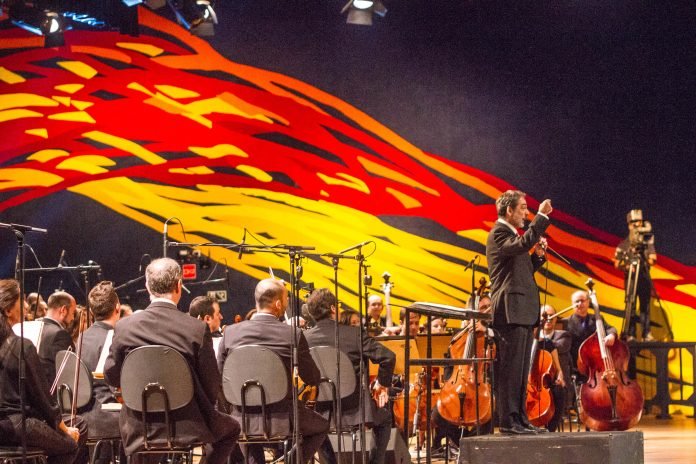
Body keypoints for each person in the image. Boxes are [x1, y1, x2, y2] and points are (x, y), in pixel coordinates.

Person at [104, 258, 240, 464]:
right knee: (232, 429)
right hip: (187, 422)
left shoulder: (125, 327)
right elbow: (211, 385)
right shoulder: (196, 328)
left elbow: (112, 376)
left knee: (143, 435)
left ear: (147, 287)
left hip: (139, 424)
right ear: (179, 285)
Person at [217, 278, 331, 464]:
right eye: (286, 300)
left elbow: (219, 379)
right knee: (320, 427)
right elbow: (311, 377)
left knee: (249, 431)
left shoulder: (230, 333)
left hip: (241, 417)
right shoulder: (292, 334)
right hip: (283, 416)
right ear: (278, 304)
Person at [485, 190, 552, 435]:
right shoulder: (499, 234)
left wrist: (539, 258)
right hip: (510, 312)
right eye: (523, 208)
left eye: (527, 209)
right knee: (511, 370)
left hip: (521, 311)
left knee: (522, 370)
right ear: (508, 211)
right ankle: (508, 422)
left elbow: (520, 274)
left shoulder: (512, 236)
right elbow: (524, 243)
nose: (526, 213)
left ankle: (520, 419)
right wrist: (541, 219)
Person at [0, 279, 87, 464]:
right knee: (72, 440)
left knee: (74, 424)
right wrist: (64, 428)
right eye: (20, 301)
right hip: (20, 426)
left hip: (5, 426)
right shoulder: (22, 346)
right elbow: (42, 398)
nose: (25, 305)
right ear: (8, 310)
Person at [304, 288, 395, 464]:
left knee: (315, 428)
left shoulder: (304, 338)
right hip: (354, 407)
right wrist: (381, 384)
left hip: (321, 408)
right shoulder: (353, 334)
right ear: (332, 309)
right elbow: (388, 357)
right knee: (384, 417)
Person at [80, 281, 123, 453]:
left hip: (83, 418)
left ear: (91, 311)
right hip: (111, 419)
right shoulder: (118, 337)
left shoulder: (80, 338)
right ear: (117, 307)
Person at [613, 209, 657, 341]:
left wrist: (643, 260)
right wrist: (626, 265)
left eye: (639, 221)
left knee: (645, 306)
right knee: (630, 305)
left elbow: (653, 259)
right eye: (633, 222)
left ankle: (646, 334)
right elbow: (616, 263)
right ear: (629, 225)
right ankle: (630, 334)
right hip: (631, 280)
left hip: (643, 278)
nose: (637, 224)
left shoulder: (646, 241)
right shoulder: (623, 244)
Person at [566, 290, 617, 379]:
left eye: (582, 300)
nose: (580, 303)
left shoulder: (597, 318)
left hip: (597, 366)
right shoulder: (566, 322)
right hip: (576, 367)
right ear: (572, 304)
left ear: (588, 302)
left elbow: (610, 328)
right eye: (576, 301)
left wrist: (612, 335)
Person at [536, 305, 570, 432]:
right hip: (529, 382)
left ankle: (551, 429)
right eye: (544, 315)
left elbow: (558, 368)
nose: (548, 319)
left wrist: (560, 376)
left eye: (551, 315)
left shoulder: (551, 342)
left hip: (546, 381)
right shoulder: (526, 341)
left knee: (559, 391)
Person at [38, 291, 77, 385]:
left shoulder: (31, 326)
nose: (72, 318)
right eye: (72, 313)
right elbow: (68, 374)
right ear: (63, 310)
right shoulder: (60, 334)